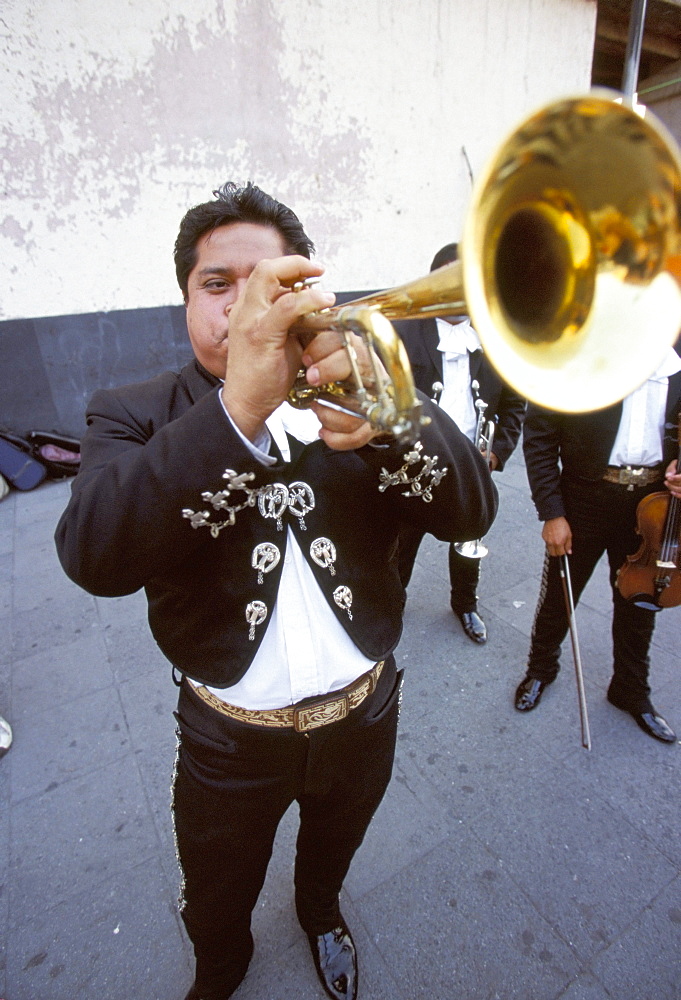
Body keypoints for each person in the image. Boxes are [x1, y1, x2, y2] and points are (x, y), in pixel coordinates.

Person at [55, 182, 497, 1000]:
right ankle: (221, 963)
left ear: (304, 294)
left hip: (364, 713)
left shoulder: (365, 387)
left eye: (271, 283)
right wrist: (240, 409)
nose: (245, 307)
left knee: (334, 849)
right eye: (218, 285)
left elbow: (472, 510)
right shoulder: (133, 412)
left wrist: (397, 419)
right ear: (186, 300)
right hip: (227, 739)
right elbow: (93, 555)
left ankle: (321, 912)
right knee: (217, 885)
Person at [515, 340, 681, 742]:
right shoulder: (579, 357)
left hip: (652, 503)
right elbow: (539, 437)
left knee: (641, 600)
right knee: (559, 593)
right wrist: (553, 513)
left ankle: (630, 689)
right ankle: (540, 670)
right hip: (584, 500)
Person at [394, 243, 526, 643]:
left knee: (468, 540)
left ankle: (464, 604)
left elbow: (515, 404)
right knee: (400, 546)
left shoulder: (495, 336)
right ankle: (389, 605)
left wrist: (497, 451)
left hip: (471, 462)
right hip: (412, 466)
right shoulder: (403, 332)